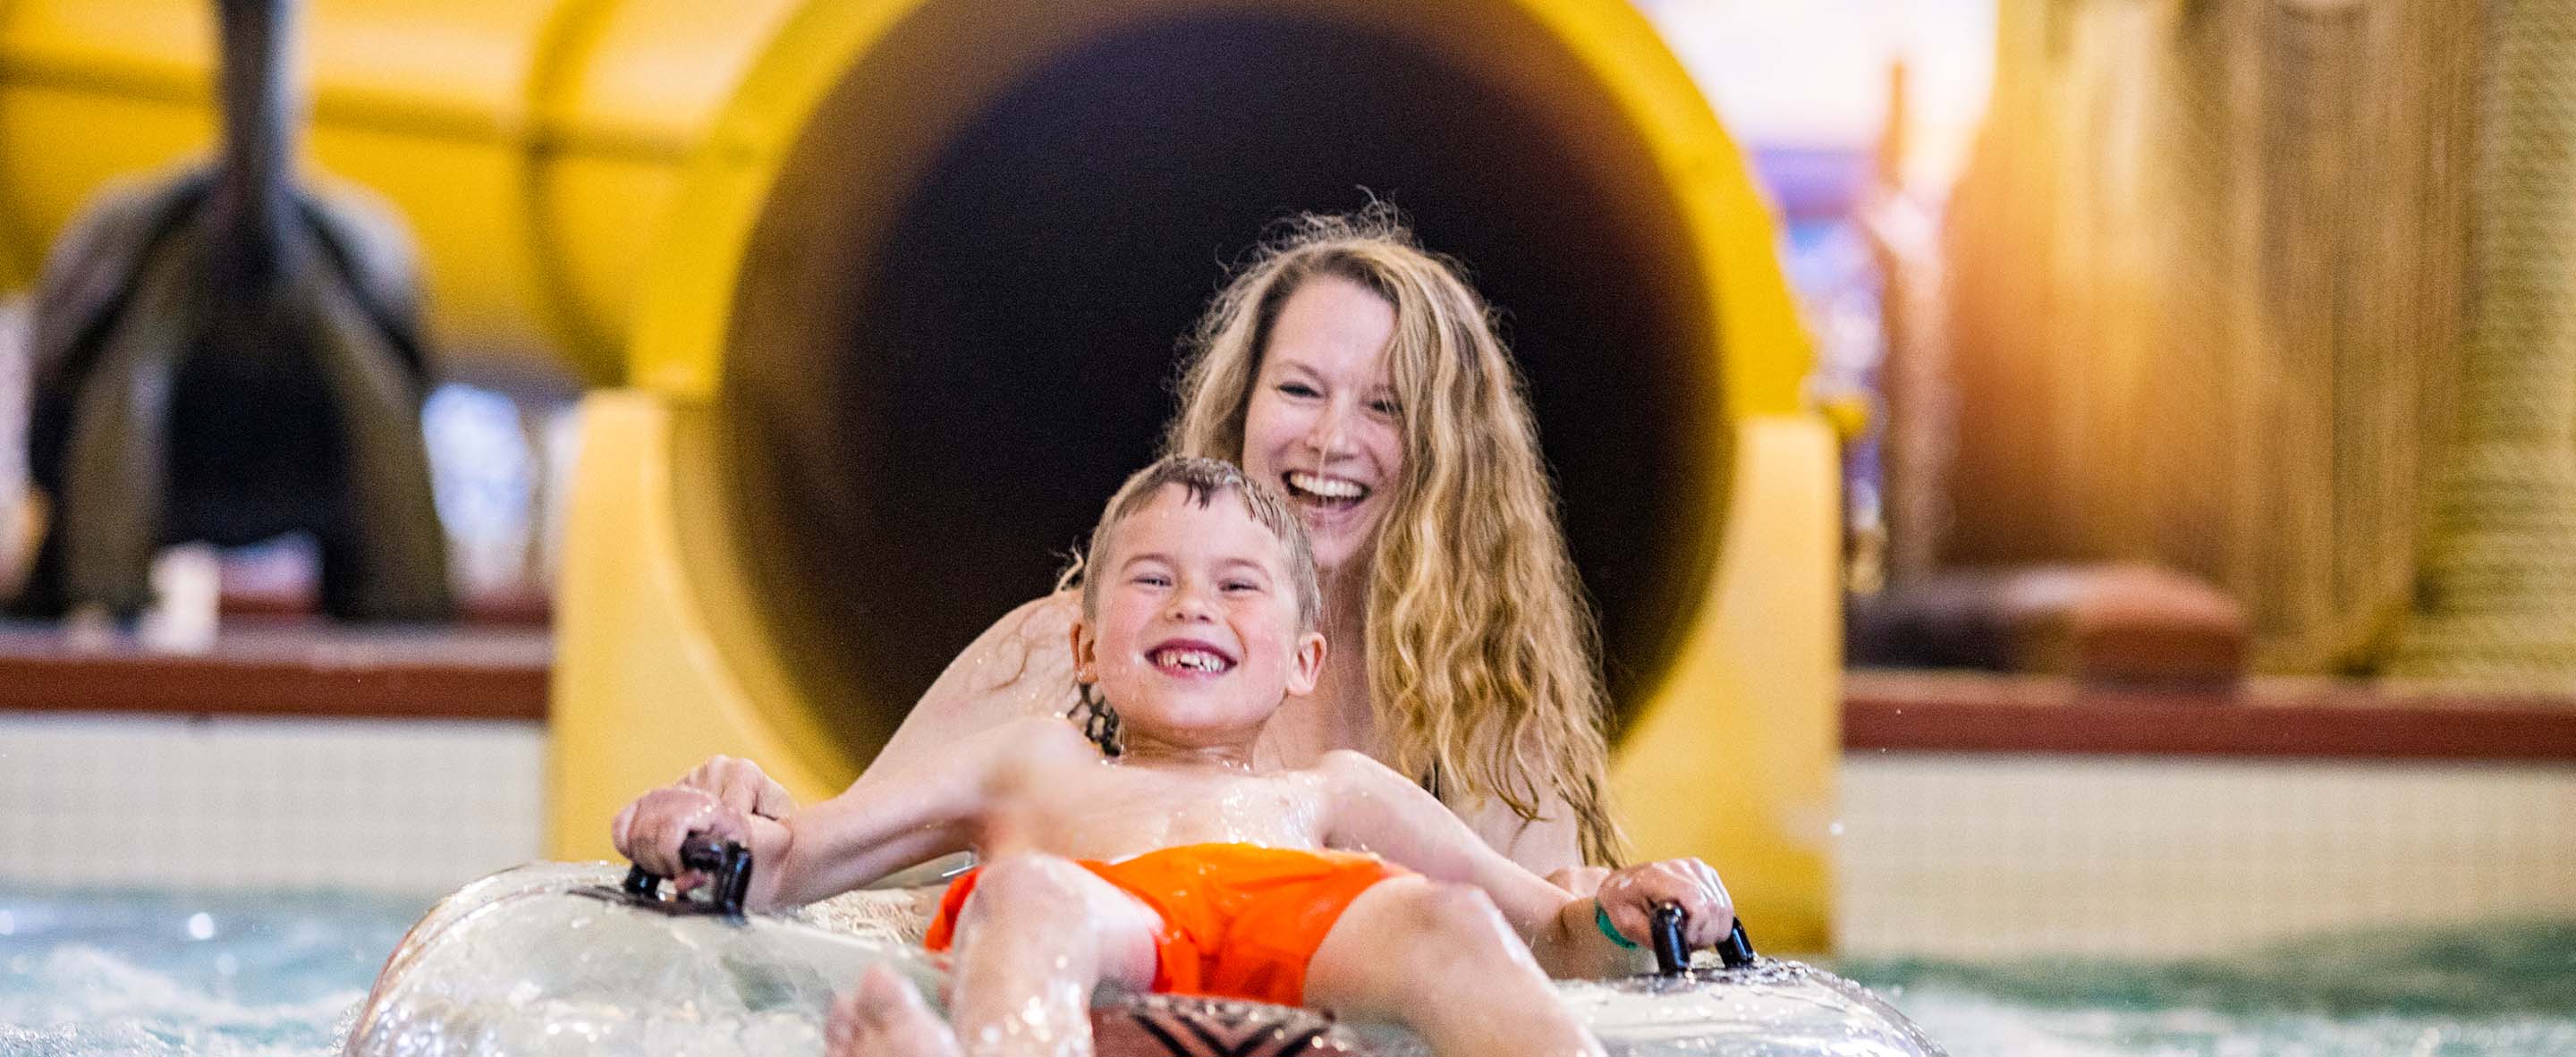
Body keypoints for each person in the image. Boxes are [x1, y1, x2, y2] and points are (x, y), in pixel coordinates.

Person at [615, 458, 1729, 1057]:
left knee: (1451, 923)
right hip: (1107, 924)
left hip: (1298, 936)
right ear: (1090, 647)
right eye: (1152, 579)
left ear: (1301, 660)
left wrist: (1631, 910)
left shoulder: (1331, 792)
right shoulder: (1036, 764)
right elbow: (800, 856)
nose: (1192, 603)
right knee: (1029, 897)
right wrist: (692, 834)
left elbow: (1544, 928)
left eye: (1237, 585)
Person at [670, 208, 1622, 879]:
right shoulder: (1068, 656)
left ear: (1449, 455)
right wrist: (750, 814)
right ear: (1240, 410)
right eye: (1299, 390)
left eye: (1386, 405)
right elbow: (837, 859)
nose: (1333, 438)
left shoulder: (1483, 714)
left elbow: (1557, 953)